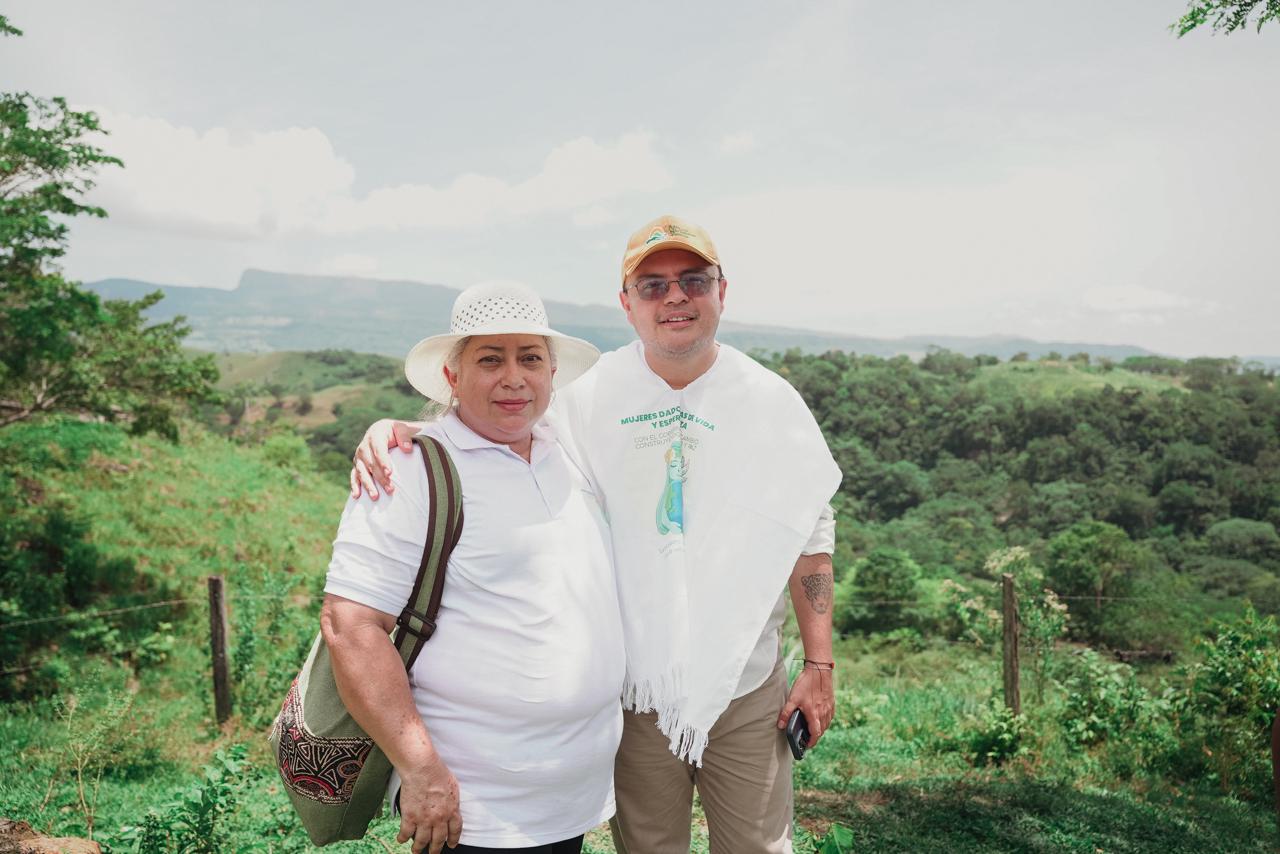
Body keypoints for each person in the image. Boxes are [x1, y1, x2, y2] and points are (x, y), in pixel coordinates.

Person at [351, 216, 841, 853]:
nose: (674, 298)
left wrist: (820, 662)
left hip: (746, 682)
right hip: (635, 690)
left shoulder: (769, 400)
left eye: (693, 281)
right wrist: (406, 431)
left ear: (722, 290)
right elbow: (499, 410)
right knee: (649, 848)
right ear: (626, 302)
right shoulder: (588, 394)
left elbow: (811, 531)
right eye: (652, 285)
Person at [322, 281, 626, 854]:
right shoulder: (409, 470)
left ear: (552, 373)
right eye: (491, 359)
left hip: (569, 801)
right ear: (453, 378)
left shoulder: (570, 451)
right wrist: (420, 770)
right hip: (473, 807)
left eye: (530, 358)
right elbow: (350, 626)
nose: (514, 377)